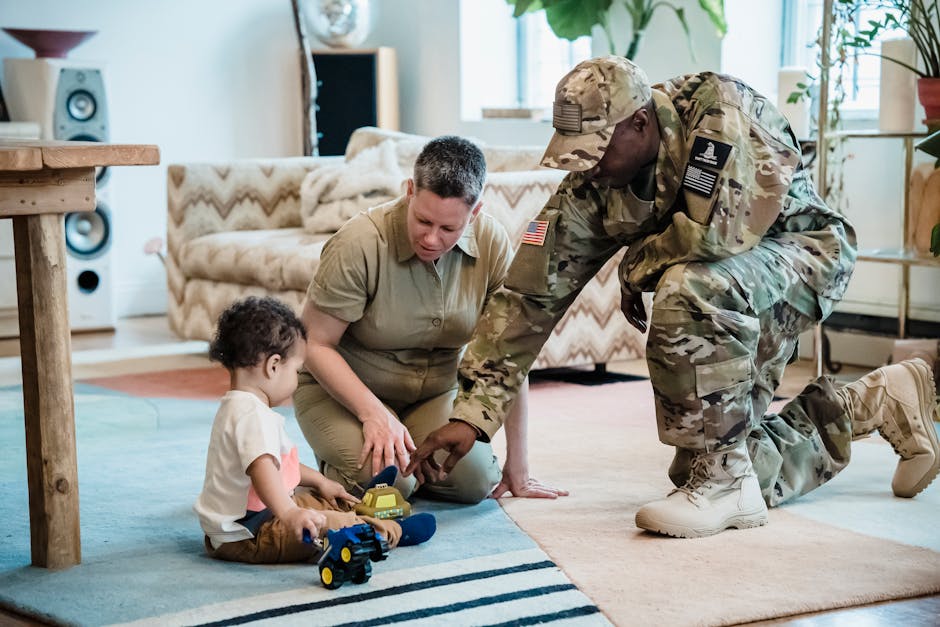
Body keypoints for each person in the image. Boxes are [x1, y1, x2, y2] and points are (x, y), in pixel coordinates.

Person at [405, 56, 939, 538]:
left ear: (639, 123)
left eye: (596, 149)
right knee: (705, 454)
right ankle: (873, 402)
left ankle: (726, 482)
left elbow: (718, 238)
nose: (587, 166)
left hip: (802, 251)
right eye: (577, 154)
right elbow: (526, 297)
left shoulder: (720, 114)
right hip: (724, 277)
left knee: (688, 285)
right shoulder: (594, 181)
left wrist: (635, 268)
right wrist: (473, 416)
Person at [293, 136, 567, 504]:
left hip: (436, 394)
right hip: (346, 394)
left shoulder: (491, 242)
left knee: (473, 483)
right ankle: (335, 468)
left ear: (475, 212)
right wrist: (374, 414)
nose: (431, 238)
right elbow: (314, 343)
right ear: (409, 190)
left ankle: (410, 454)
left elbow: (510, 352)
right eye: (422, 220)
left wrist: (518, 467)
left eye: (449, 229)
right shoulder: (358, 243)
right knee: (391, 486)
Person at [194, 296, 434, 564]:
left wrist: (320, 481)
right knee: (336, 526)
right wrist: (289, 514)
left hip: (247, 524)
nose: (297, 379)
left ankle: (359, 500)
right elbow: (262, 470)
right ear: (273, 366)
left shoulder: (238, 407)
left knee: (318, 498)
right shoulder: (252, 416)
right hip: (253, 535)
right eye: (297, 370)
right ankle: (392, 531)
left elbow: (279, 466)